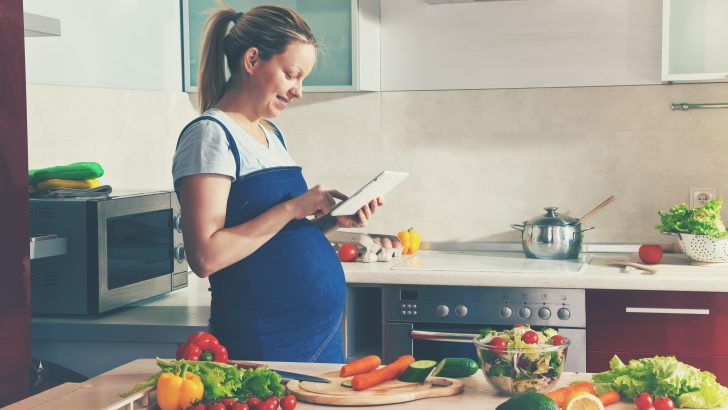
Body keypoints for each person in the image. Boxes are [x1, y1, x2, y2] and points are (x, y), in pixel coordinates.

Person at [172, 5, 383, 363]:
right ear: (252, 60)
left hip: (317, 341)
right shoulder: (210, 135)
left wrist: (330, 222)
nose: (298, 91)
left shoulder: (271, 135)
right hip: (265, 344)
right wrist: (293, 207)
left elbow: (274, 239)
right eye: (291, 75)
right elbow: (206, 257)